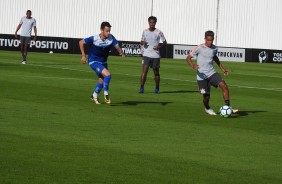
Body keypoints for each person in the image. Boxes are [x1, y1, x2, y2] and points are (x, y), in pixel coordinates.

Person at [186, 30, 238, 115]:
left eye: (211, 40)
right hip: (202, 76)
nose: (210, 42)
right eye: (208, 40)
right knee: (206, 97)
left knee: (224, 85)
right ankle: (207, 108)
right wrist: (193, 65)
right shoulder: (199, 48)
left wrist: (222, 68)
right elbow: (188, 58)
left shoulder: (215, 48)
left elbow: (215, 57)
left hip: (212, 73)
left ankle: (228, 107)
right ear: (205, 39)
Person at [79, 21, 125, 104]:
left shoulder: (111, 37)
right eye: (106, 31)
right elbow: (81, 42)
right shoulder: (94, 38)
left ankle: (94, 96)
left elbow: (117, 46)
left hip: (103, 62)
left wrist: (120, 52)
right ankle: (106, 94)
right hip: (93, 61)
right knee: (108, 75)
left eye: (109, 31)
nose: (108, 33)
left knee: (102, 79)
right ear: (102, 30)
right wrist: (83, 55)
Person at [139, 16, 167, 94]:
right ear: (148, 23)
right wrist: (143, 43)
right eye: (150, 22)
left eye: (153, 22)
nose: (152, 24)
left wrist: (159, 46)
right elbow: (141, 42)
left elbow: (165, 42)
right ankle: (141, 87)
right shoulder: (145, 31)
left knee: (156, 72)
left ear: (155, 23)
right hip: (146, 54)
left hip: (155, 55)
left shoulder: (159, 32)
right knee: (144, 71)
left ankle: (157, 88)